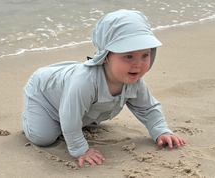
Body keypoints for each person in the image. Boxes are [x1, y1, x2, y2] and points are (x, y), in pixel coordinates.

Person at [21, 10, 186, 167]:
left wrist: (161, 131)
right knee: (44, 138)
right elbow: (69, 117)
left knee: (82, 118)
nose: (137, 64)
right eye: (128, 56)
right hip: (43, 92)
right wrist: (81, 150)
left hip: (71, 98)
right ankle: (31, 116)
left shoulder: (134, 81)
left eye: (145, 55)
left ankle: (78, 118)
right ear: (105, 56)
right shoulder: (85, 82)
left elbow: (148, 108)